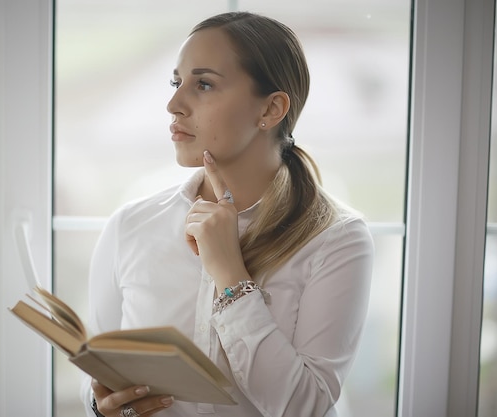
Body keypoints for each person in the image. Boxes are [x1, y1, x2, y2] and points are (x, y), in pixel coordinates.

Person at [81, 11, 374, 417]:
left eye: (202, 84)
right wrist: (103, 405)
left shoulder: (338, 240)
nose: (173, 104)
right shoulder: (130, 227)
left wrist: (230, 275)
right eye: (175, 82)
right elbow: (100, 373)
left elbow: (304, 408)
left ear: (271, 109)